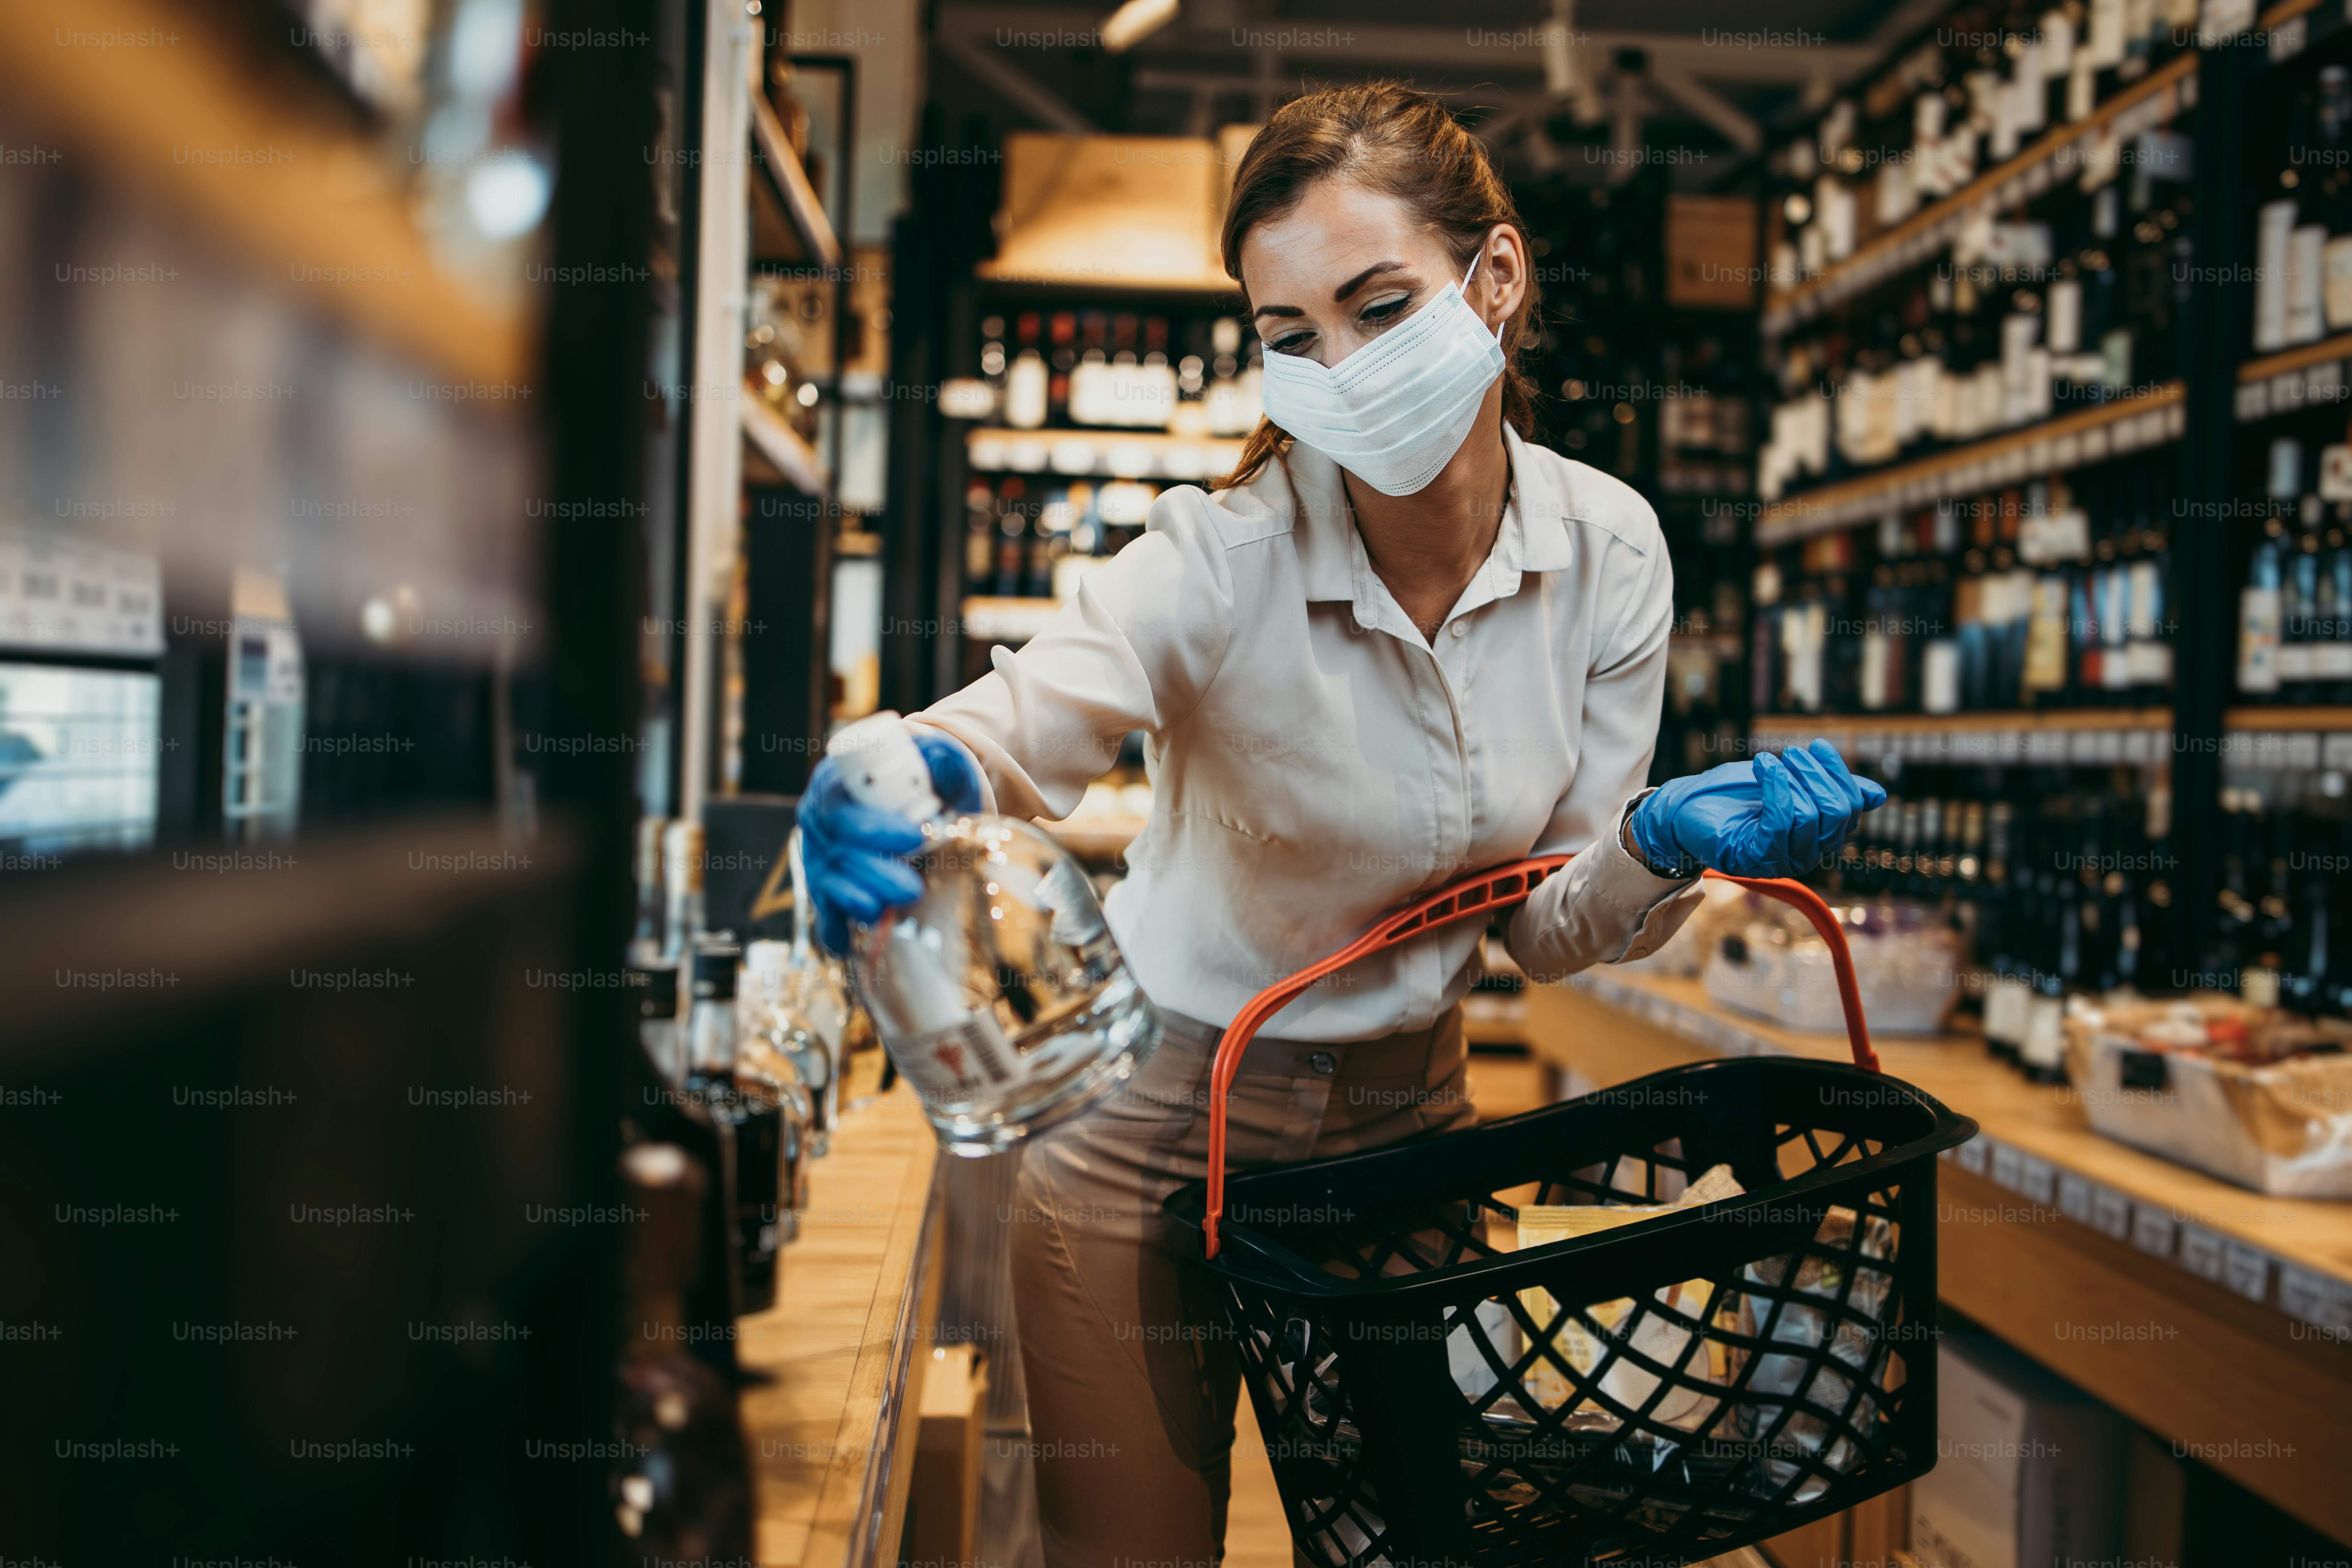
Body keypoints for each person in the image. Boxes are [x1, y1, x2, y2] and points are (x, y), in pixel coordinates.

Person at [799, 82, 1884, 1568]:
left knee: (1420, 1549)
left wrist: (1662, 845)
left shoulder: (1610, 553)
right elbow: (1008, 729)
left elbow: (1540, 929)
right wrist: (886, 776)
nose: (1343, 369)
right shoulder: (1220, 559)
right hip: (1143, 1145)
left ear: (1494, 281)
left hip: (1407, 1139)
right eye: (1292, 336)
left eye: (1382, 306)